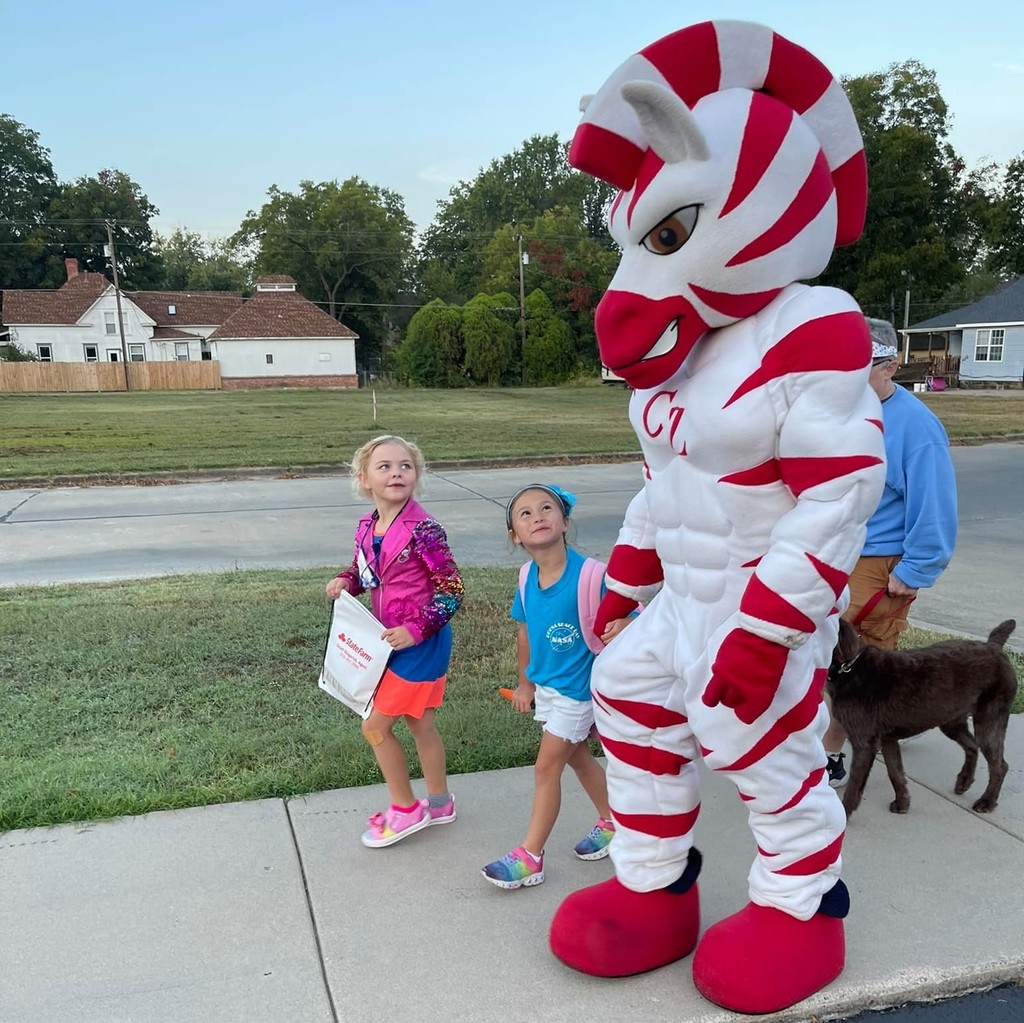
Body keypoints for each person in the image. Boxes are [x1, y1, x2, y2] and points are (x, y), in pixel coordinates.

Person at [823, 319, 958, 786]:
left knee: (852, 662)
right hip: (830, 549)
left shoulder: (916, 427)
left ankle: (831, 755)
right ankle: (881, 723)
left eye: (857, 367)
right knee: (817, 650)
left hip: (876, 561)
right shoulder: (837, 411)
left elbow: (935, 504)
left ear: (891, 367)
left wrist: (916, 568)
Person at [481, 484, 633, 890]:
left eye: (546, 508)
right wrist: (524, 684)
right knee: (578, 758)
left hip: (579, 691)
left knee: (546, 767)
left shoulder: (593, 576)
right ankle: (614, 820)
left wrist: (626, 624)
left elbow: (634, 616)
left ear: (565, 521)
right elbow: (526, 633)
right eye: (525, 514)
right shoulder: (527, 575)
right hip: (549, 688)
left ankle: (530, 856)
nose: (537, 517)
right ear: (515, 535)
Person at [326, 435, 464, 848]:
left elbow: (451, 589)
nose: (396, 473)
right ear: (364, 478)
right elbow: (363, 570)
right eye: (384, 466)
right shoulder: (367, 527)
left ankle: (405, 808)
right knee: (420, 723)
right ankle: (440, 804)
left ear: (416, 475)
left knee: (374, 727)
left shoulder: (424, 529)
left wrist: (416, 630)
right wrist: (345, 580)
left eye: (405, 465)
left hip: (420, 644)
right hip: (384, 643)